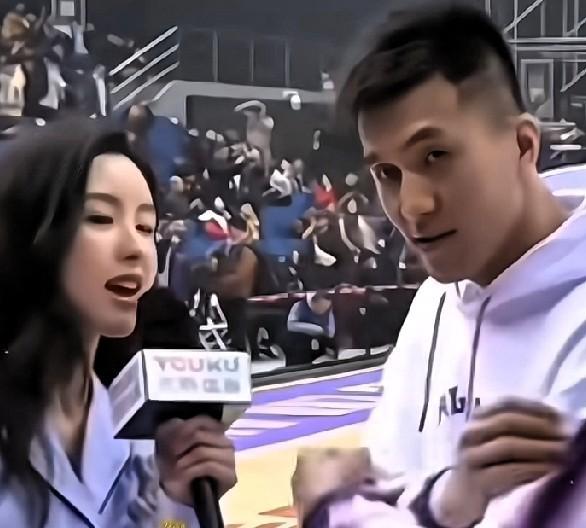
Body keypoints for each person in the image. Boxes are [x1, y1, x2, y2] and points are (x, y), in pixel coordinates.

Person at [293, 3, 586, 527]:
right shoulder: (432, 303)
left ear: (523, 145)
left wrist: (330, 508)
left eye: (436, 157)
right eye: (387, 173)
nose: (412, 205)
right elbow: (390, 484)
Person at [0, 117, 236, 527]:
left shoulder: (141, 437)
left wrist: (180, 504)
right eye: (101, 218)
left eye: (146, 227)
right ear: (31, 235)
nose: (136, 249)